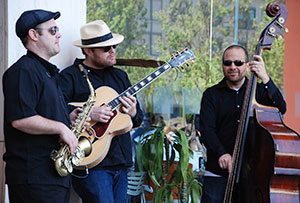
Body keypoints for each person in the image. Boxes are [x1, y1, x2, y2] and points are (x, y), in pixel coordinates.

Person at [59, 20, 143, 203]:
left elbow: (138, 119)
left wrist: (134, 112)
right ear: (88, 51)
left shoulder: (121, 76)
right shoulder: (69, 77)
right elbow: (56, 110)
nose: (113, 51)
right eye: (106, 49)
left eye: (114, 46)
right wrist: (88, 113)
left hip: (121, 163)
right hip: (91, 164)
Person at [2, 9, 79, 203]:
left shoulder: (49, 73)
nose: (59, 34)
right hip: (34, 177)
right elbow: (21, 120)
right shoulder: (23, 70)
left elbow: (42, 114)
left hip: (51, 176)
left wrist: (67, 119)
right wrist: (61, 127)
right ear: (34, 35)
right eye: (53, 30)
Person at [199, 44, 286, 202]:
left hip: (253, 175)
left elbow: (281, 108)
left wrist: (265, 78)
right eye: (228, 63)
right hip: (217, 174)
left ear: (248, 65)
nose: (233, 67)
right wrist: (222, 153)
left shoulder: (259, 92)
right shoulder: (211, 95)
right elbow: (207, 130)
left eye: (238, 63)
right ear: (223, 66)